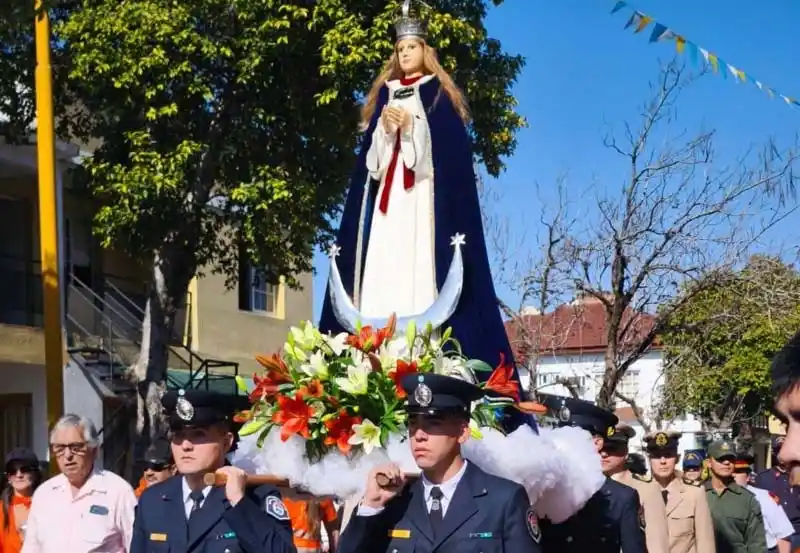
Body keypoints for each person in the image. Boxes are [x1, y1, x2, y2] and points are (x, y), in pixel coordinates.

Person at [317, 0, 527, 424]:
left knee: (416, 270)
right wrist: (385, 129)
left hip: (422, 207)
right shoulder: (385, 97)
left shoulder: (438, 96)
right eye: (399, 49)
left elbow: (445, 158)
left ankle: (421, 354)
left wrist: (412, 130)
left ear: (424, 49)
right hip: (386, 207)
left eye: (411, 46)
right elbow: (371, 166)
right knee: (381, 268)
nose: (404, 55)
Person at [339, 373, 540, 553]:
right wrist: (372, 505)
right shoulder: (396, 502)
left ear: (462, 432)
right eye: (412, 424)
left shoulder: (503, 500)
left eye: (433, 423)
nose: (419, 435)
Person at [131, 389, 295, 553]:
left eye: (198, 435)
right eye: (178, 435)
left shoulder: (255, 497)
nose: (186, 445)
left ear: (226, 442)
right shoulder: (153, 500)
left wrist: (239, 502)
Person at [537, 395, 646, 553]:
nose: (563, 445)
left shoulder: (621, 498)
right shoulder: (542, 491)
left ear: (597, 443)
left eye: (573, 438)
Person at [21, 414, 137, 553]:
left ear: (94, 451)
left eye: (76, 447)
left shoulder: (118, 492)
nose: (68, 455)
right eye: (60, 448)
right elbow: (31, 548)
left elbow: (135, 546)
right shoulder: (44, 494)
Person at [643, 430, 715, 553]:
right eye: (656, 456)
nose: (663, 461)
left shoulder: (694, 492)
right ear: (649, 459)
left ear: (677, 458)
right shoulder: (638, 491)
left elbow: (705, 542)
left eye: (668, 455)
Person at [601, 424, 669, 553]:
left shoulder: (647, 489)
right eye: (601, 449)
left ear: (626, 452)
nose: (604, 454)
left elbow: (657, 543)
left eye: (612, 448)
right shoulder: (587, 488)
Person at [703, 439, 766, 553]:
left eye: (730, 459)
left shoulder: (747, 499)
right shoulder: (697, 494)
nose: (727, 463)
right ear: (708, 462)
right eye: (720, 459)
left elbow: (756, 543)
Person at [733, 452, 793, 553]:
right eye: (730, 472)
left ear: (747, 477)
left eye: (738, 472)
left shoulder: (764, 498)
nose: (733, 475)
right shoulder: (713, 497)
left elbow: (783, 535)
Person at [0, 448, 42, 553]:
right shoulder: (1, 509)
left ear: (35, 474)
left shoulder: (48, 505)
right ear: (8, 477)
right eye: (12, 470)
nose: (18, 475)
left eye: (25, 469)